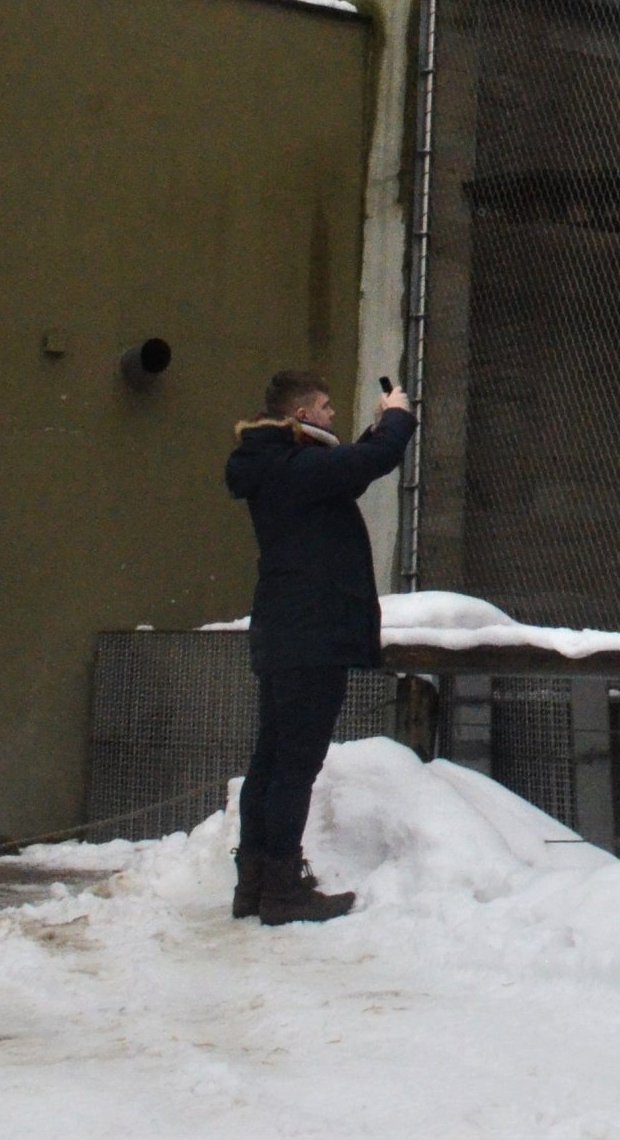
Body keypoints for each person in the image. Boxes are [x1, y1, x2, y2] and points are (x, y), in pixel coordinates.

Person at [225, 370, 413, 925]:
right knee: (294, 768)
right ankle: (282, 889)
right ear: (303, 416)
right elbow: (366, 465)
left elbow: (344, 473)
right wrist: (399, 419)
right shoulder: (293, 467)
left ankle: (255, 882)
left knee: (272, 760)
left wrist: (376, 429)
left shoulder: (278, 466)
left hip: (287, 631)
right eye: (327, 408)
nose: (333, 414)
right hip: (313, 632)